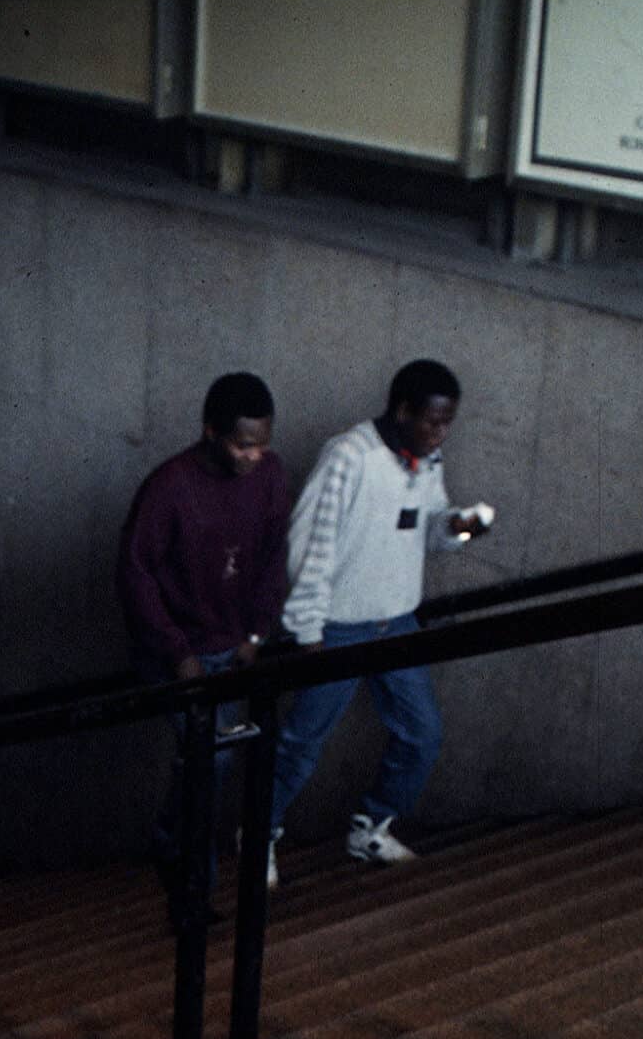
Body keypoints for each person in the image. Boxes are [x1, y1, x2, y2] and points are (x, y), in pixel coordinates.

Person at [261, 359, 495, 883]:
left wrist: (455, 529)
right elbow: (309, 547)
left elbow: (427, 533)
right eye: (433, 421)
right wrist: (307, 632)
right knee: (301, 744)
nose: (441, 433)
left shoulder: (428, 459)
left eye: (448, 422)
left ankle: (370, 828)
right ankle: (259, 835)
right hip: (339, 628)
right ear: (403, 410)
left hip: (397, 622)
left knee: (422, 735)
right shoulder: (350, 456)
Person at [117, 371, 290, 918]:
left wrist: (256, 634)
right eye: (242, 444)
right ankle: (194, 890)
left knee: (210, 763)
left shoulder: (271, 475)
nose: (253, 456)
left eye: (262, 443)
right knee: (208, 765)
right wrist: (177, 653)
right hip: (180, 651)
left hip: (230, 647)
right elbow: (135, 573)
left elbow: (271, 559)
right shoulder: (170, 485)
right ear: (210, 432)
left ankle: (176, 853)